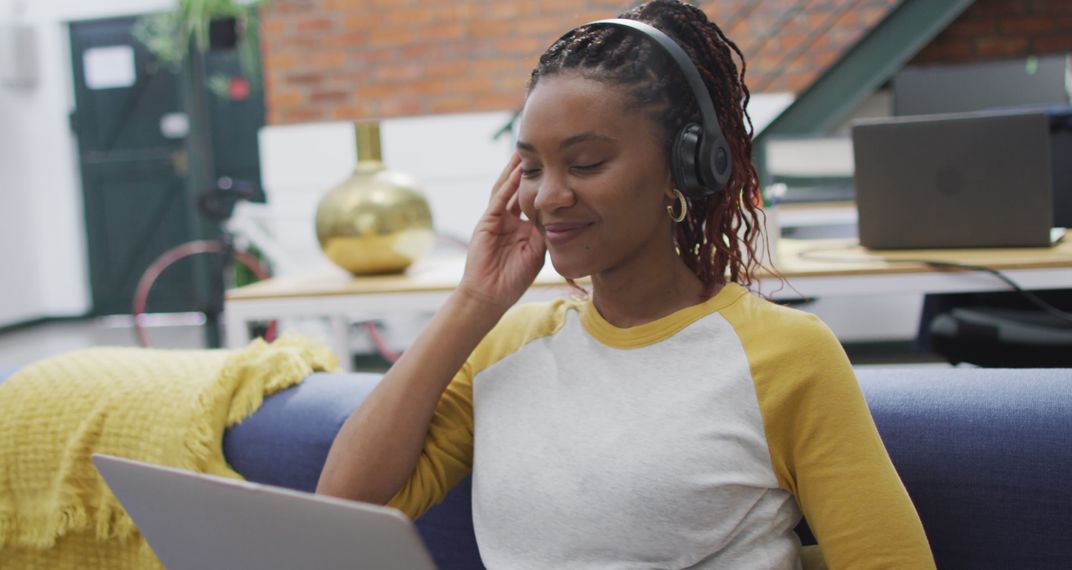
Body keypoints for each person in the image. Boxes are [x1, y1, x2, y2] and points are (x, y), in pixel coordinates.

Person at [317, 1, 935, 568]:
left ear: (682, 167)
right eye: (531, 168)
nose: (550, 196)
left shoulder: (785, 355)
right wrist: (472, 302)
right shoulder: (506, 346)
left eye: (586, 164)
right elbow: (345, 505)